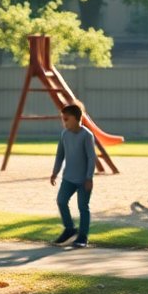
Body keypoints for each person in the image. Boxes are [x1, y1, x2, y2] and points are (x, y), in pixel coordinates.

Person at [50, 103, 96, 248]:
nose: (64, 122)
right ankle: (69, 229)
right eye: (62, 119)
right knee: (61, 201)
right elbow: (60, 156)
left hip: (84, 180)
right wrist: (55, 172)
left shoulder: (87, 135)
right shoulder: (64, 134)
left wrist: (89, 178)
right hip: (68, 178)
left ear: (76, 118)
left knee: (83, 207)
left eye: (66, 119)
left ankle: (82, 237)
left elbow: (91, 158)